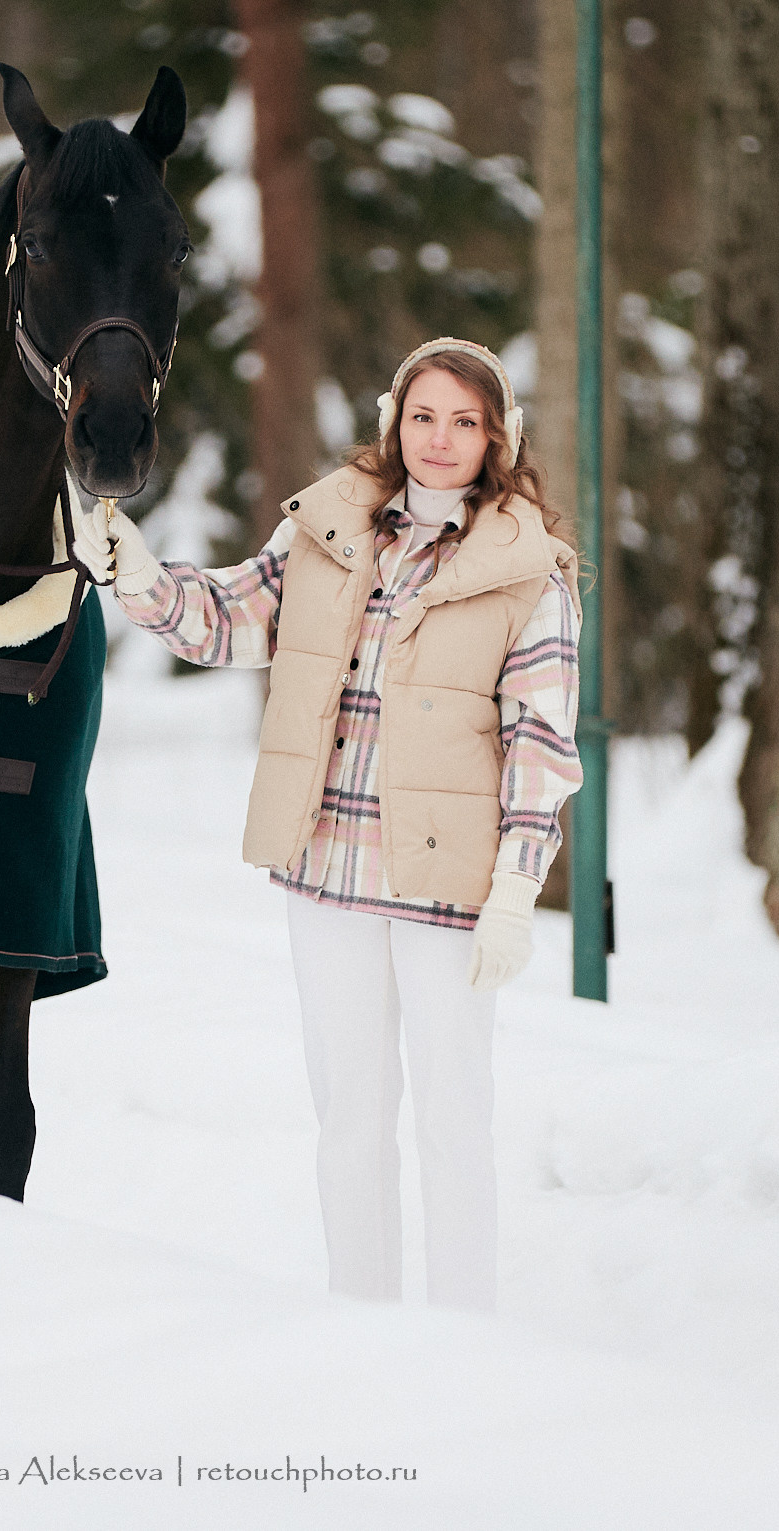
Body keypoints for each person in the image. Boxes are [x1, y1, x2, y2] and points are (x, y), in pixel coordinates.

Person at [74, 338, 587, 1313]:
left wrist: (517, 885)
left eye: (465, 422)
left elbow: (541, 742)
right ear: (395, 418)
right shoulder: (331, 529)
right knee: (349, 1116)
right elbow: (231, 621)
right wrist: (140, 575)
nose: (440, 440)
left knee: (451, 1119)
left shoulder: (527, 577)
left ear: (498, 438)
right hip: (327, 870)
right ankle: (362, 1326)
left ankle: (462, 1334)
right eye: (424, 416)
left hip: (445, 888)